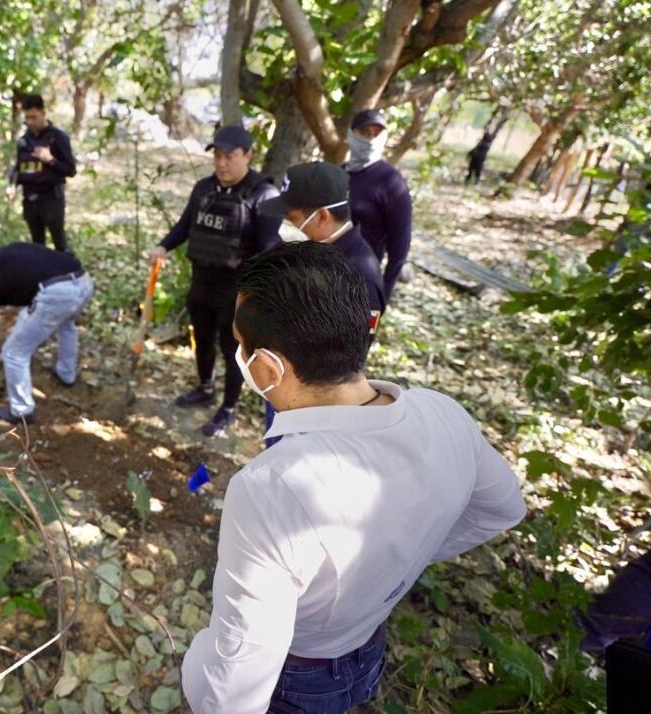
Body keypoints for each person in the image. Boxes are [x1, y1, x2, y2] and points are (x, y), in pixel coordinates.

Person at [181, 241, 526, 714]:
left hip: (299, 677)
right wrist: (403, 555)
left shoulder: (273, 489)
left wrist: (196, 660)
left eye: (241, 344)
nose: (238, 353)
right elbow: (505, 508)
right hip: (368, 648)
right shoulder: (443, 413)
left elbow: (232, 695)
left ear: (267, 366)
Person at [149, 124, 281, 437]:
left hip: (237, 290)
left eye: (230, 156)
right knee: (203, 339)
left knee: (231, 348)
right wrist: (163, 246)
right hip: (202, 279)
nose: (222, 163)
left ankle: (229, 407)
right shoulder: (203, 189)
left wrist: (258, 296)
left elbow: (268, 252)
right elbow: (184, 226)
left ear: (248, 155)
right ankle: (205, 387)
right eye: (217, 156)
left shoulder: (263, 195)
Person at [259, 161, 386, 447]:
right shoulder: (321, 251)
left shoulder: (359, 278)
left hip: (311, 405)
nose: (290, 224)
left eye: (293, 216)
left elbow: (346, 358)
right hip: (285, 384)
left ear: (322, 216)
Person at [0, 241, 94, 424]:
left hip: (57, 293)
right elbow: (27, 284)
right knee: (67, 323)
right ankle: (66, 373)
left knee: (13, 352)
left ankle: (22, 410)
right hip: (83, 281)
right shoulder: (13, 251)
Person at [345, 108, 413, 300]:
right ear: (351, 135)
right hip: (325, 275)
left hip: (362, 282)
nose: (371, 140)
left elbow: (399, 249)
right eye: (365, 134)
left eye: (376, 134)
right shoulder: (339, 174)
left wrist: (382, 296)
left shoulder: (391, 182)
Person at [6, 93, 77, 252]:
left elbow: (70, 170)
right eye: (27, 118)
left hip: (51, 198)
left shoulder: (58, 137)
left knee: (60, 244)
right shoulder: (24, 140)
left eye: (34, 117)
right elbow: (18, 167)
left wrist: (50, 160)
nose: (30, 122)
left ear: (43, 113)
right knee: (37, 245)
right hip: (30, 199)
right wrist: (12, 184)